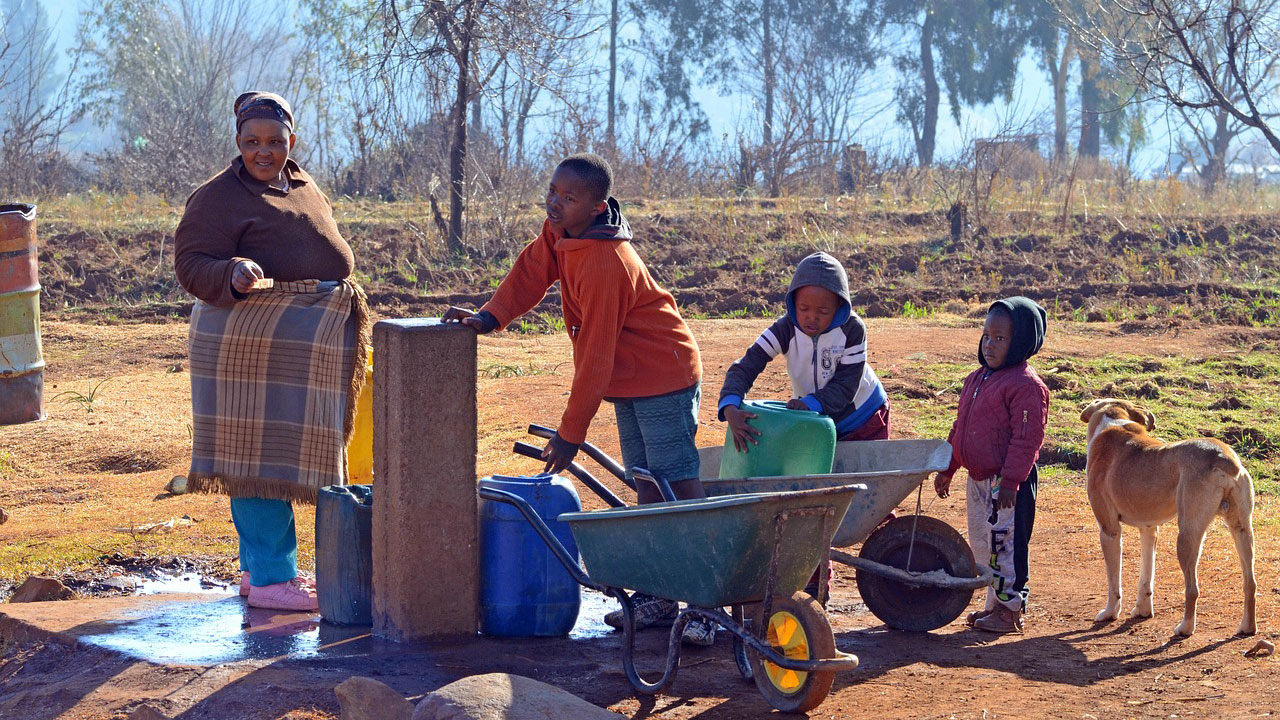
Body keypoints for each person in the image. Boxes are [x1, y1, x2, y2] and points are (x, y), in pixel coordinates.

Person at [443, 153, 717, 645]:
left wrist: (571, 434)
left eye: (568, 199)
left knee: (677, 482)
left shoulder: (606, 262)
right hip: (632, 380)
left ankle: (707, 603)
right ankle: (660, 593)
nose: (555, 203)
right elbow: (531, 271)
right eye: (553, 191)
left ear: (597, 207)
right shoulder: (563, 233)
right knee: (647, 483)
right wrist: (490, 317)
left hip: (663, 374)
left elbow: (595, 359)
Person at [174, 91, 369, 613]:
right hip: (247, 343)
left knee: (278, 458)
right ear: (237, 142)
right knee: (256, 461)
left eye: (275, 141)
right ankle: (271, 580)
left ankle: (257, 571)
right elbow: (191, 264)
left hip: (298, 349)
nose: (264, 151)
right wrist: (231, 272)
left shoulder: (301, 183)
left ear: (292, 141)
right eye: (252, 142)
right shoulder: (216, 196)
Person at [933, 297, 1049, 633]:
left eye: (1000, 338)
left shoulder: (1027, 386)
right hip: (978, 479)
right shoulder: (977, 378)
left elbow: (1027, 440)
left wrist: (1011, 482)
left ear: (1022, 342)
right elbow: (961, 428)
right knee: (983, 545)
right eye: (987, 336)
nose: (990, 345)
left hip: (1007, 485)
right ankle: (993, 605)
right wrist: (949, 466)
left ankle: (1010, 610)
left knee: (1006, 546)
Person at [718, 251, 890, 452]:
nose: (811, 318)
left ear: (839, 306)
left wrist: (811, 403)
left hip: (863, 416)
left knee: (859, 472)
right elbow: (747, 365)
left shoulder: (852, 330)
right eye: (804, 308)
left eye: (823, 312)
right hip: (816, 418)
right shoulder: (786, 329)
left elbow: (846, 386)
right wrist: (730, 404)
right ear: (793, 303)